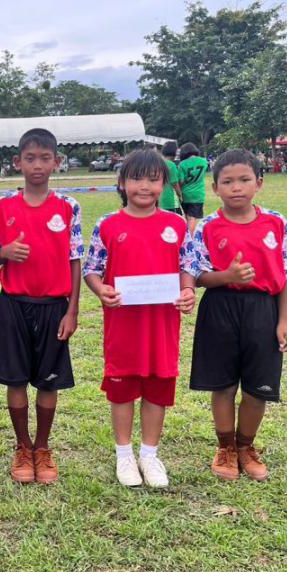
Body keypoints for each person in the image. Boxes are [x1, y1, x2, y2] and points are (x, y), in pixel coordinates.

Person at [82, 149, 198, 488]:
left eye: (152, 179)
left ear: (164, 184)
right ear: (121, 182)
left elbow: (188, 265)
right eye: (136, 178)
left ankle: (149, 454)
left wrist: (188, 290)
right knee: (122, 390)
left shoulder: (176, 225)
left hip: (162, 325)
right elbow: (92, 268)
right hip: (123, 326)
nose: (144, 186)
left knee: (158, 388)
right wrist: (100, 289)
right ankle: (124, 455)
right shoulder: (108, 224)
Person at [190, 149, 287, 481]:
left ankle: (245, 446)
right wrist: (227, 276)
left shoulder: (276, 223)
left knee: (257, 388)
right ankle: (225, 447)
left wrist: (283, 321)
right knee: (223, 385)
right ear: (215, 188)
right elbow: (196, 275)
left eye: (244, 180)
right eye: (227, 182)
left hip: (263, 310)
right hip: (220, 307)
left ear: (259, 183)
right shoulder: (208, 226)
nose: (236, 187)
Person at [0, 128, 82, 484]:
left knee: (48, 381)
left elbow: (75, 259)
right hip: (14, 304)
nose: (37, 165)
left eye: (45, 158)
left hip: (54, 306)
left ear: (57, 162)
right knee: (15, 379)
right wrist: (5, 253)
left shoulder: (68, 206)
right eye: (30, 158)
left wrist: (72, 311)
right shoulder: (3, 206)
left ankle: (42, 447)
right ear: (18, 162)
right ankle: (22, 446)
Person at [178, 142, 209, 233]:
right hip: (198, 194)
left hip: (185, 194)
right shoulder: (204, 161)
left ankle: (187, 235)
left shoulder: (182, 164)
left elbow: (181, 181)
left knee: (187, 217)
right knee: (192, 218)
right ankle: (189, 237)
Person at [159, 141, 183, 215]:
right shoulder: (171, 165)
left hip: (159, 199)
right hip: (170, 200)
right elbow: (175, 184)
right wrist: (180, 195)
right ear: (174, 152)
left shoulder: (157, 163)